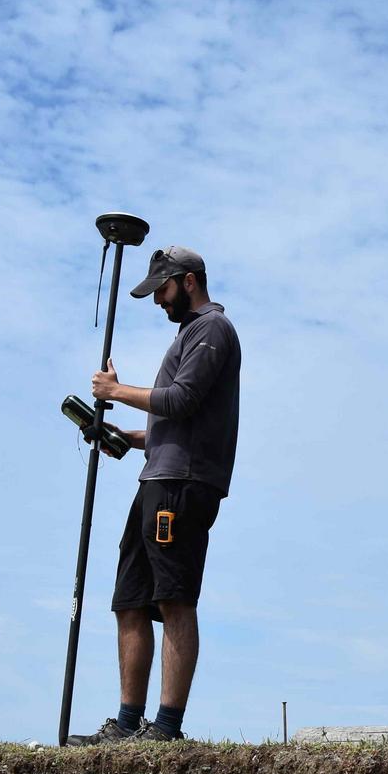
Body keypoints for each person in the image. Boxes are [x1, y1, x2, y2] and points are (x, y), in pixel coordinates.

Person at [68, 245, 241, 745]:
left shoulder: (212, 330)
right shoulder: (190, 332)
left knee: (175, 601)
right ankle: (126, 726)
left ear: (188, 282)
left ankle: (164, 729)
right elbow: (174, 418)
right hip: (156, 479)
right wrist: (125, 436)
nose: (157, 302)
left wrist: (115, 392)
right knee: (131, 601)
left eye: (162, 291)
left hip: (183, 485)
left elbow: (182, 400)